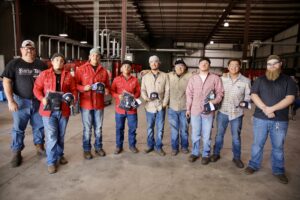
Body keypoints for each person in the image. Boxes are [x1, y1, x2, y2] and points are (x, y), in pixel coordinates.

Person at [244, 55, 297, 184]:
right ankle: (253, 165)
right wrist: (265, 108)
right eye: (269, 64)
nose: (272, 66)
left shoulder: (288, 81)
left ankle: (278, 170)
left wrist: (272, 109)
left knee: (278, 147)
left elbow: (290, 98)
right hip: (260, 119)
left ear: (280, 64)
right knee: (257, 144)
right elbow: (254, 94)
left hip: (280, 120)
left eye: (275, 63)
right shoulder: (260, 80)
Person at [2, 40, 48, 167]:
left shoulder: (41, 65)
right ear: (21, 50)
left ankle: (39, 148)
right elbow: (6, 82)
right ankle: (17, 152)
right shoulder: (14, 64)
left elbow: (48, 81)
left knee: (39, 126)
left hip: (38, 101)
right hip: (20, 101)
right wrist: (11, 101)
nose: (29, 51)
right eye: (26, 48)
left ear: (35, 50)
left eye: (31, 49)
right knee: (18, 128)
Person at [33, 53, 77, 174]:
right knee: (52, 136)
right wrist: (42, 98)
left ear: (64, 63)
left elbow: (73, 90)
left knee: (61, 135)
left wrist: (73, 99)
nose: (59, 62)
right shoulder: (44, 74)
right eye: (56, 60)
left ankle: (60, 155)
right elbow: (36, 88)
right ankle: (51, 162)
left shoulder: (69, 76)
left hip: (63, 110)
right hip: (48, 111)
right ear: (51, 62)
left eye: (61, 61)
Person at [210, 59, 251, 168]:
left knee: (236, 137)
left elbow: (248, 96)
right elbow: (214, 93)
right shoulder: (221, 79)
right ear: (228, 67)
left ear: (240, 67)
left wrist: (245, 103)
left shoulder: (246, 81)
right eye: (231, 65)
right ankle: (216, 154)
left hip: (237, 113)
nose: (234, 67)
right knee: (219, 135)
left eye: (236, 65)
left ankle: (236, 158)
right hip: (223, 112)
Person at [186, 57, 224, 164]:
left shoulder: (215, 78)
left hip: (208, 112)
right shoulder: (193, 78)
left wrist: (213, 102)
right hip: (195, 110)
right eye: (202, 63)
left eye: (206, 63)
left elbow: (220, 93)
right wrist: (188, 109)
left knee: (207, 135)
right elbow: (189, 94)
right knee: (195, 134)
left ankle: (206, 154)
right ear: (198, 65)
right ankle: (195, 152)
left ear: (209, 65)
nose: (204, 64)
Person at [75, 48, 110, 160]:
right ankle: (86, 150)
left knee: (98, 128)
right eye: (93, 55)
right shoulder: (81, 70)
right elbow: (75, 85)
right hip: (86, 104)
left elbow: (107, 86)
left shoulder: (104, 71)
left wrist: (107, 90)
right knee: (87, 128)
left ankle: (98, 147)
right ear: (89, 57)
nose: (95, 57)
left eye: (97, 56)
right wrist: (83, 88)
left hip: (99, 104)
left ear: (100, 57)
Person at [141, 55, 170, 156]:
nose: (154, 63)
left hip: (160, 106)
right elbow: (143, 90)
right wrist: (146, 98)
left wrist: (164, 103)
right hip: (149, 106)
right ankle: (150, 145)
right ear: (149, 64)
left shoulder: (165, 75)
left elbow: (167, 90)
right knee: (150, 127)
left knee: (160, 128)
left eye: (156, 61)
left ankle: (158, 146)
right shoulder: (145, 76)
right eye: (152, 62)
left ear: (159, 63)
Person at [111, 60, 141, 154]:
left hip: (132, 110)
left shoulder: (135, 80)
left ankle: (132, 146)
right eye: (124, 66)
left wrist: (133, 96)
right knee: (119, 128)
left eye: (128, 67)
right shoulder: (116, 79)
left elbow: (138, 92)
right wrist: (117, 96)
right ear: (121, 68)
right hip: (119, 110)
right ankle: (118, 146)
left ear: (131, 68)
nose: (126, 68)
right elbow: (112, 91)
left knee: (132, 129)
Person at [168, 59, 192, 156]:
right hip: (172, 108)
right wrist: (146, 71)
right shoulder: (169, 75)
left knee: (184, 130)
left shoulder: (191, 76)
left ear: (185, 67)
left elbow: (203, 73)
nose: (180, 68)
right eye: (177, 66)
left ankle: (184, 147)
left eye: (182, 66)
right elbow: (158, 73)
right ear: (174, 68)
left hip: (185, 108)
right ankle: (174, 148)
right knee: (174, 130)